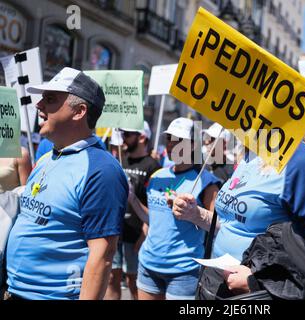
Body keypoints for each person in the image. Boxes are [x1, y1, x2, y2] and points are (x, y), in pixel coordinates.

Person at [4, 67, 128, 300]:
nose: (39, 106)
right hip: (14, 292)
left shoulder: (103, 171)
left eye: (50, 99)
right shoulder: (46, 158)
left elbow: (101, 256)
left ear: (79, 111)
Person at [171, 132, 305, 297]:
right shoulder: (251, 152)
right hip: (216, 284)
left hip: (256, 295)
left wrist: (258, 283)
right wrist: (195, 214)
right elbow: (234, 225)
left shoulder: (301, 162)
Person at [130, 117, 220, 300]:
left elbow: (219, 226)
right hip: (148, 264)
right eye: (169, 138)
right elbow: (152, 219)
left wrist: (195, 214)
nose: (171, 144)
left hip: (184, 271)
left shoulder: (206, 182)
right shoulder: (157, 177)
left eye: (178, 140)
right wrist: (131, 198)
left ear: (194, 145)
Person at [104, 121, 161, 300]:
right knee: (112, 277)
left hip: (137, 233)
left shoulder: (153, 167)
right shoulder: (119, 159)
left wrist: (144, 235)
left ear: (142, 137)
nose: (124, 138)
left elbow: (155, 206)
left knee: (134, 280)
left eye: (128, 134)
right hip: (115, 230)